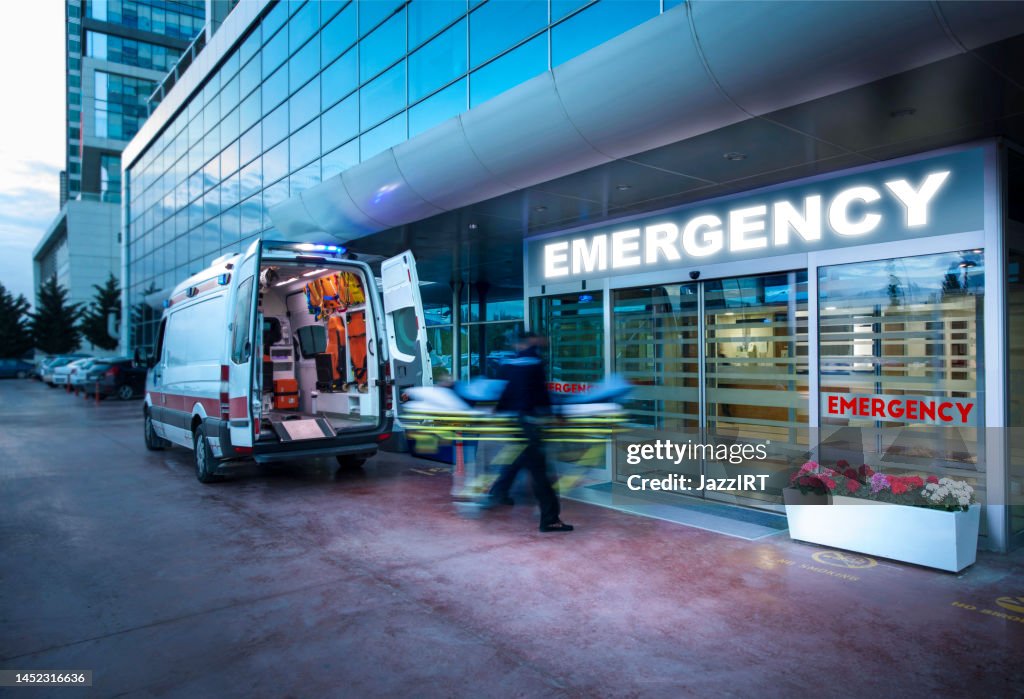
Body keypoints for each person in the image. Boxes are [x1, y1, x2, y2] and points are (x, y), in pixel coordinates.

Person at [485, 332, 574, 533]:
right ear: (528, 342)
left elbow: (503, 393)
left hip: (515, 423)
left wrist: (496, 411)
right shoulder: (534, 362)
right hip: (528, 424)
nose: (542, 343)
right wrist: (556, 415)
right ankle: (550, 519)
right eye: (538, 340)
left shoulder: (509, 364)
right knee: (541, 473)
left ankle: (498, 493)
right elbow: (542, 394)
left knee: (518, 459)